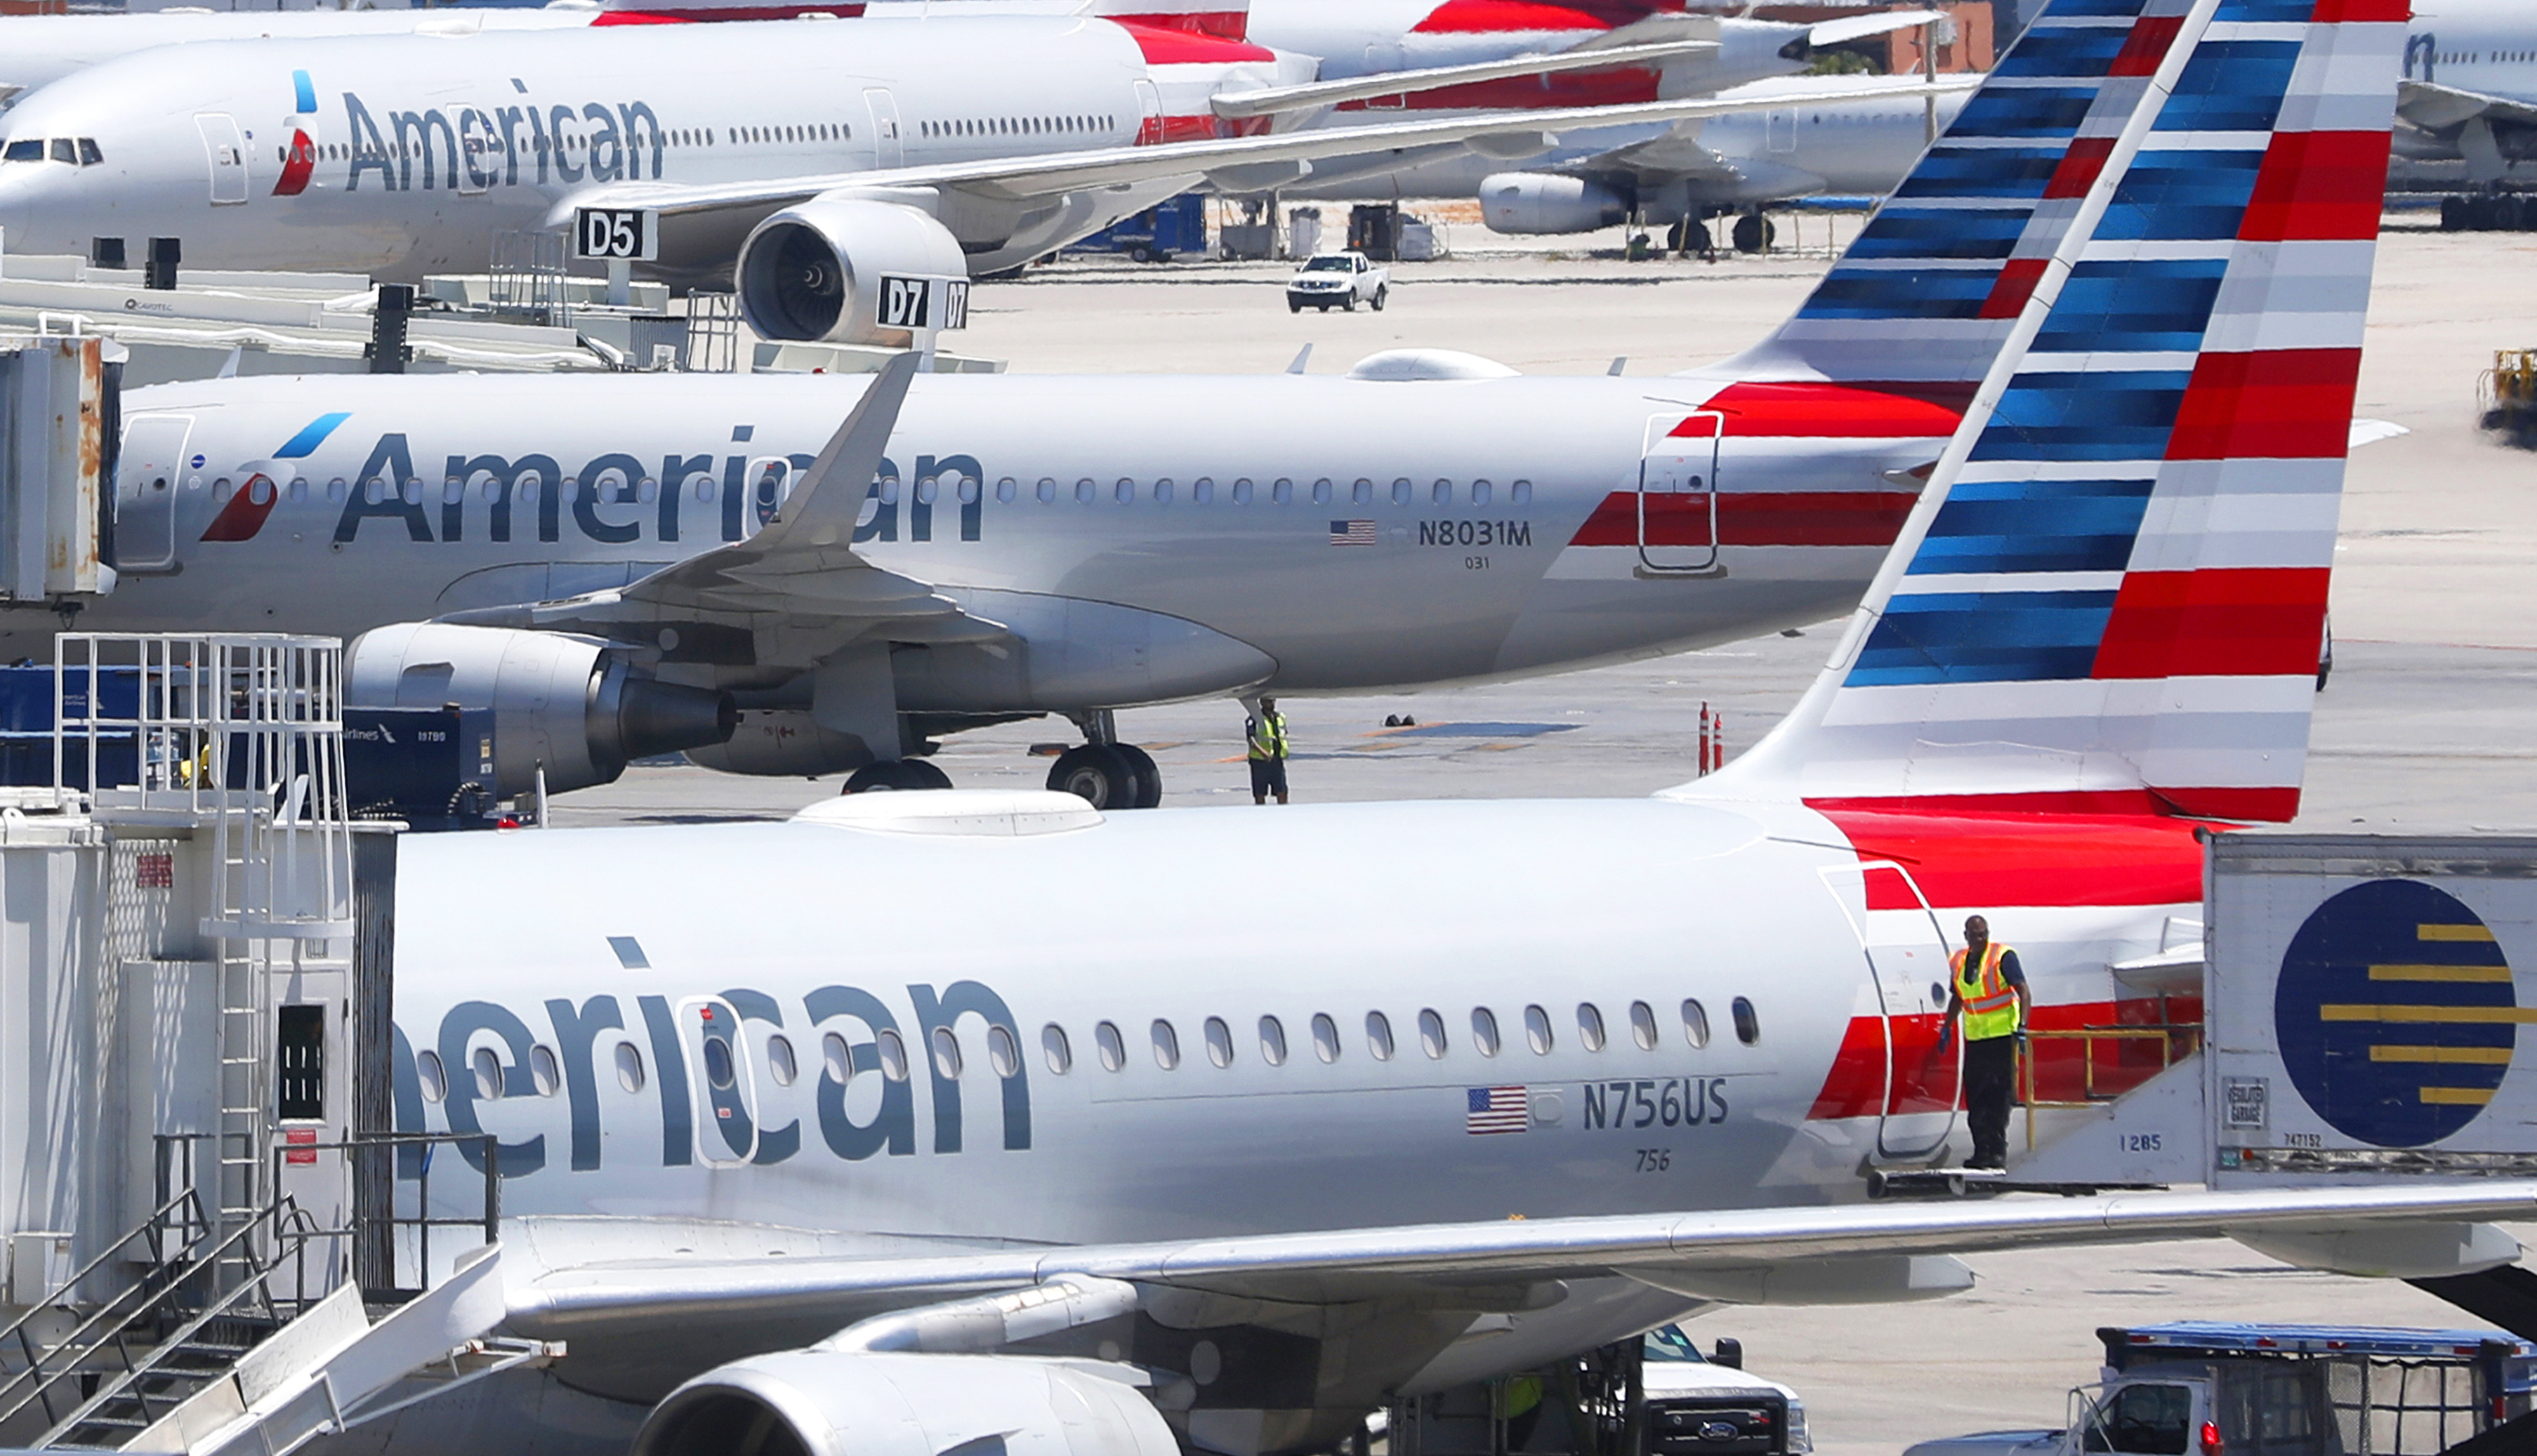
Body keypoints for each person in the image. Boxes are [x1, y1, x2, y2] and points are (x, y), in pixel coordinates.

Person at [1937, 913, 2030, 1170]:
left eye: (1984, 934)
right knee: (1976, 1098)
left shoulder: (2002, 957)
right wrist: (1947, 1026)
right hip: (1977, 1039)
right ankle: (1981, 1152)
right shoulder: (1959, 961)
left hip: (2001, 1037)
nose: (1981, 939)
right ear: (1966, 936)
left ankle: (1997, 1152)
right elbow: (1958, 997)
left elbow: (2023, 992)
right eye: (1975, 935)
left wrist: (2023, 1026)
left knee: (1997, 1098)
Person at [1245, 697, 1290, 805]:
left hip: (1277, 760)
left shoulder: (1279, 717)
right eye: (1268, 701)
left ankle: (1284, 812)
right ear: (1262, 703)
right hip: (1260, 762)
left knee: (1282, 791)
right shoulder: (1255, 718)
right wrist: (1263, 752)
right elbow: (1251, 740)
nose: (1272, 703)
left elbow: (1283, 734)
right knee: (1260, 793)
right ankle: (1261, 813)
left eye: (1273, 701)